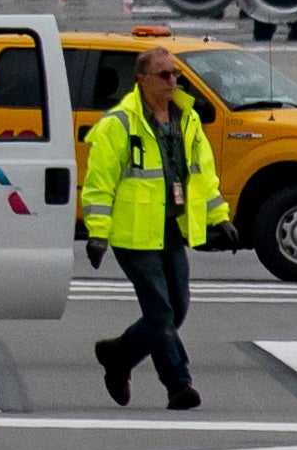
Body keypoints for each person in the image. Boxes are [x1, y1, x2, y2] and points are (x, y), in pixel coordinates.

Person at [81, 42, 224, 410]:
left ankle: (119, 355)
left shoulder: (186, 119)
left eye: (176, 73)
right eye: (164, 74)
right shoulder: (118, 124)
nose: (173, 80)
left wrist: (218, 218)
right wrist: (97, 233)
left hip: (172, 229)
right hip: (133, 233)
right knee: (160, 311)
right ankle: (179, 383)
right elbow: (99, 183)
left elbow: (202, 175)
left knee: (177, 308)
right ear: (142, 80)